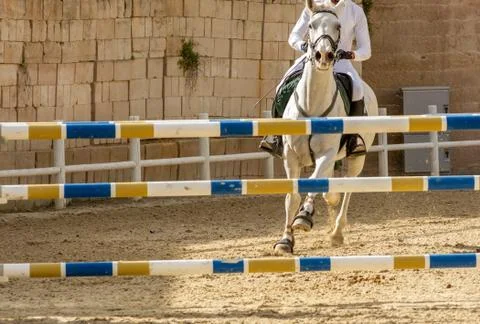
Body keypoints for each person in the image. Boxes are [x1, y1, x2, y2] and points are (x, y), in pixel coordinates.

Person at [259, 0, 372, 158]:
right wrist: (303, 46)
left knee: (358, 89)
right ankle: (275, 136)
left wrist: (350, 54)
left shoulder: (355, 12)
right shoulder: (315, 7)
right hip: (311, 59)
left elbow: (366, 50)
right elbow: (294, 36)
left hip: (340, 63)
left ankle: (354, 138)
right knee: (281, 86)